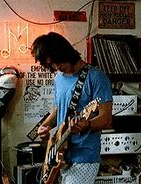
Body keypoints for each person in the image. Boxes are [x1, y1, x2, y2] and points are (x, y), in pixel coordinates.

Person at [31, 32, 113, 184]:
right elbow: (58, 110)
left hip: (84, 156)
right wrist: (45, 126)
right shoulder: (59, 79)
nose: (56, 67)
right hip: (59, 153)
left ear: (65, 52)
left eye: (56, 61)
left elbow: (106, 118)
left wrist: (87, 124)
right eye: (50, 65)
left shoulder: (95, 77)